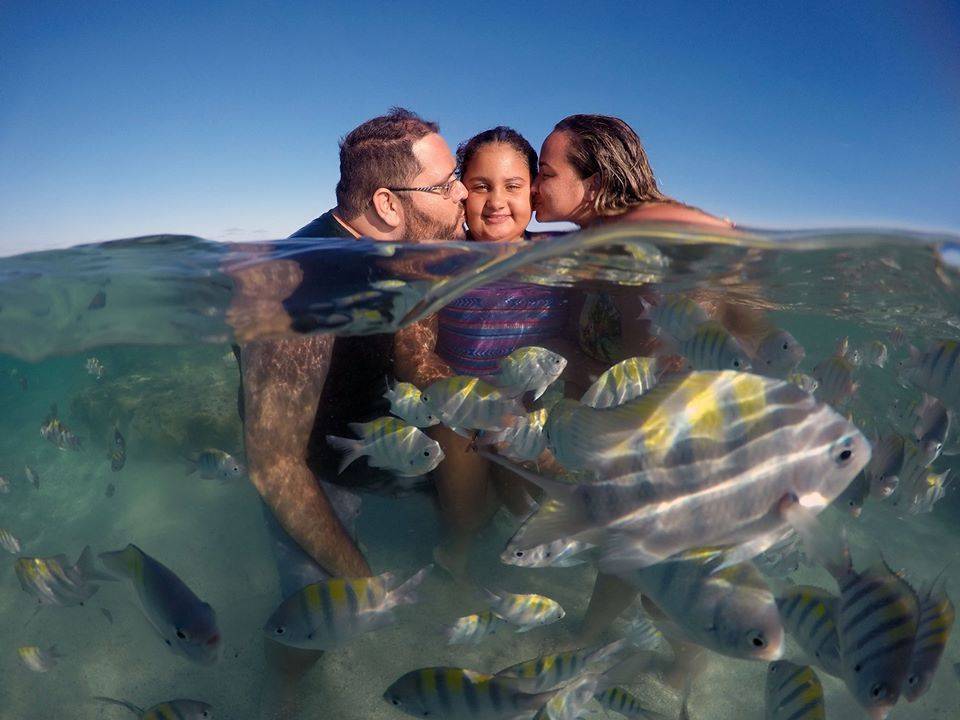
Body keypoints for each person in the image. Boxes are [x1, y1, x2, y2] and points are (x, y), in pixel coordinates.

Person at [228, 107, 466, 720]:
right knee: (314, 620)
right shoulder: (303, 287)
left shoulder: (402, 249)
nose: (463, 192)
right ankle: (277, 695)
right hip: (319, 476)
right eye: (446, 184)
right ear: (387, 204)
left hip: (385, 444)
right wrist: (361, 584)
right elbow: (274, 466)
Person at [530, 113, 769, 646]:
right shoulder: (589, 242)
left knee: (659, 566)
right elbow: (600, 349)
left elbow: (736, 263)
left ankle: (656, 658)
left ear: (590, 182)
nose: (533, 183)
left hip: (683, 424)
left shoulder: (646, 226)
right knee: (642, 553)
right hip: (636, 421)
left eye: (544, 172)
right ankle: (603, 639)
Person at [394, 127, 583, 577]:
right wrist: (475, 406)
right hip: (456, 413)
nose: (497, 201)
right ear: (461, 193)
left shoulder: (563, 258)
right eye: (481, 187)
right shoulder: (441, 260)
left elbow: (575, 337)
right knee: (467, 516)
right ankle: (454, 553)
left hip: (525, 411)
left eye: (512, 186)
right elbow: (411, 352)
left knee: (535, 499)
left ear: (534, 193)